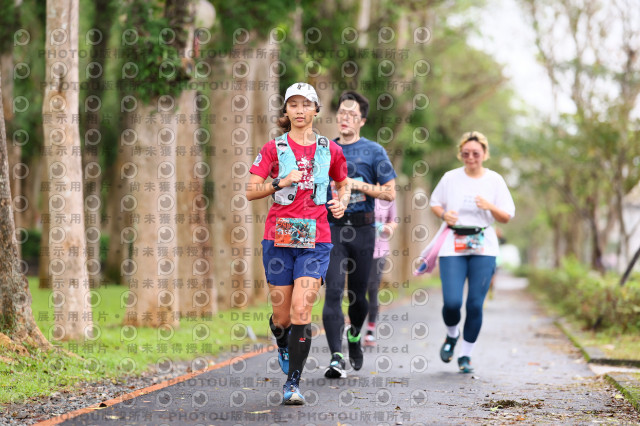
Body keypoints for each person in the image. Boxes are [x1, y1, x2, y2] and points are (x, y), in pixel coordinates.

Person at [247, 82, 349, 404]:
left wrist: (342, 202)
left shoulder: (331, 150)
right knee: (283, 318)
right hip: (278, 238)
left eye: (306, 104)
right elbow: (251, 190)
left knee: (302, 308)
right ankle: (281, 340)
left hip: (316, 239)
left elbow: (343, 183)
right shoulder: (272, 149)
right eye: (293, 104)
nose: (300, 110)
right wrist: (279, 182)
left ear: (316, 110)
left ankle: (292, 384)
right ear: (286, 110)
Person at [323, 91, 397, 378]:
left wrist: (356, 185)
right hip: (333, 228)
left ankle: (354, 334)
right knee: (332, 291)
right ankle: (336, 356)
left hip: (364, 230)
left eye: (352, 115)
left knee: (358, 296)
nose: (345, 118)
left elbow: (389, 193)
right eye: (342, 113)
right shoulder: (325, 149)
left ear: (362, 121)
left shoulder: (374, 151)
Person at [429, 131, 515, 373]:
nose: (470, 158)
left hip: (483, 246)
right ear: (460, 154)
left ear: (485, 154)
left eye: (476, 153)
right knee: (452, 303)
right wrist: (444, 214)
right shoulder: (450, 178)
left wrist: (489, 206)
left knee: (475, 305)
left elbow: (506, 216)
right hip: (453, 244)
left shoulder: (495, 180)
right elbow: (435, 203)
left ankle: (465, 356)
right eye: (465, 153)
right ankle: (451, 335)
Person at [364, 198, 398, 346]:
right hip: (358, 249)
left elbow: (394, 221)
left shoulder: (387, 196)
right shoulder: (360, 191)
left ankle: (370, 331)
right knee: (357, 289)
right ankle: (354, 327)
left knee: (373, 288)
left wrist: (386, 227)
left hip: (379, 250)